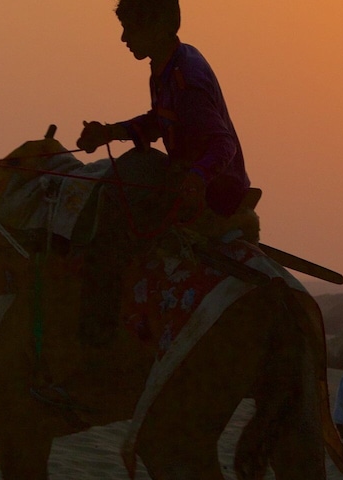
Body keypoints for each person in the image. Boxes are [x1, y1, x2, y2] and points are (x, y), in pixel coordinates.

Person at [74, 0, 253, 346]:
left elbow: (223, 144)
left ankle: (98, 340)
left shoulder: (188, 77)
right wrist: (109, 132)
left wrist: (197, 179)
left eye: (130, 29)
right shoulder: (167, 67)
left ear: (156, 28)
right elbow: (160, 120)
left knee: (109, 229)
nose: (124, 38)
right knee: (123, 173)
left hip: (211, 190)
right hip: (185, 174)